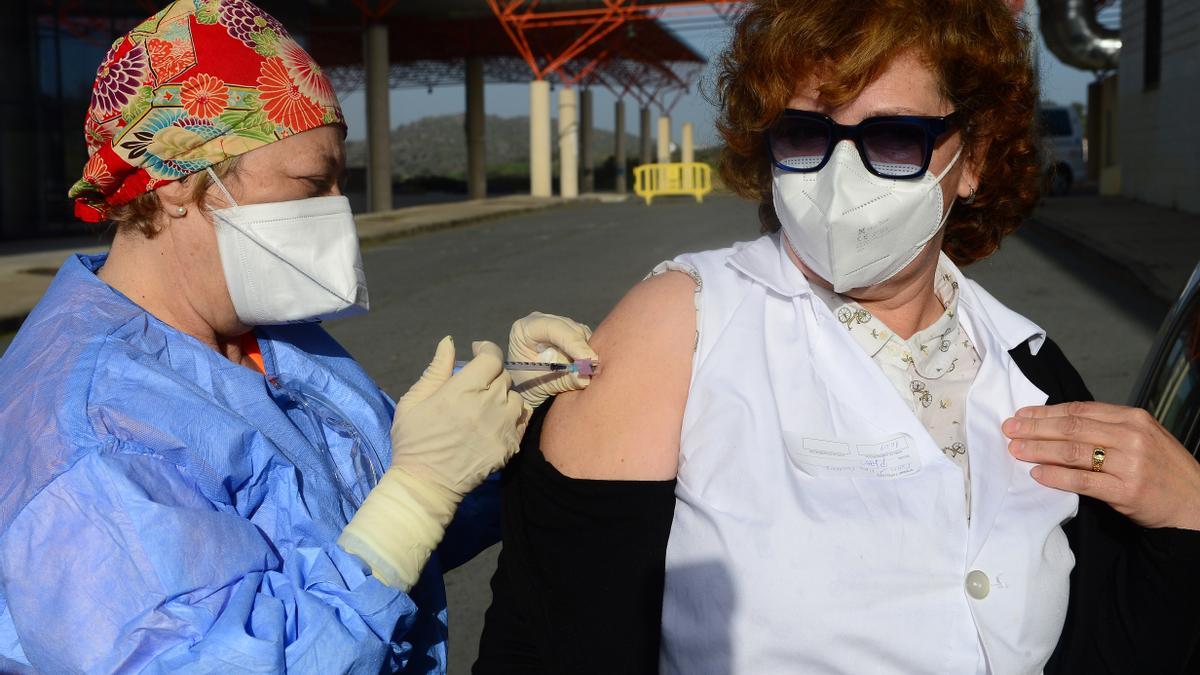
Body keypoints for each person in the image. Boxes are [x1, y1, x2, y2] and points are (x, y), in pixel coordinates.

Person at [475, 1, 1200, 673]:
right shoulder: (684, 325)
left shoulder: (1032, 366)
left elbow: (1111, 642)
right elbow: (553, 639)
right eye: (805, 133)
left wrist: (1185, 512)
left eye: (891, 136)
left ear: (972, 159)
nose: (838, 172)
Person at [0, 2, 596, 672]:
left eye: (340, 183)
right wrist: (416, 495)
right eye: (311, 185)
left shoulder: (268, 337)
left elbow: (378, 518)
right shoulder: (88, 433)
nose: (338, 214)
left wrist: (506, 407)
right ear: (176, 185)